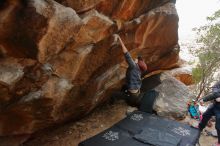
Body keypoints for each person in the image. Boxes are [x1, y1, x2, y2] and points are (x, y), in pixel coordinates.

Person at [111, 35, 147, 106]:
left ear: (137, 63)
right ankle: (125, 94)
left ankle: (111, 105)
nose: (136, 59)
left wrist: (120, 39)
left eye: (137, 59)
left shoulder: (133, 66)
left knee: (113, 95)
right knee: (123, 86)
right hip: (136, 92)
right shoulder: (140, 70)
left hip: (132, 97)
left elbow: (126, 54)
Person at [198, 81, 220, 146]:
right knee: (205, 116)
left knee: (218, 126)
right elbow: (215, 89)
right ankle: (200, 128)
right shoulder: (219, 83)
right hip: (214, 105)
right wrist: (204, 99)